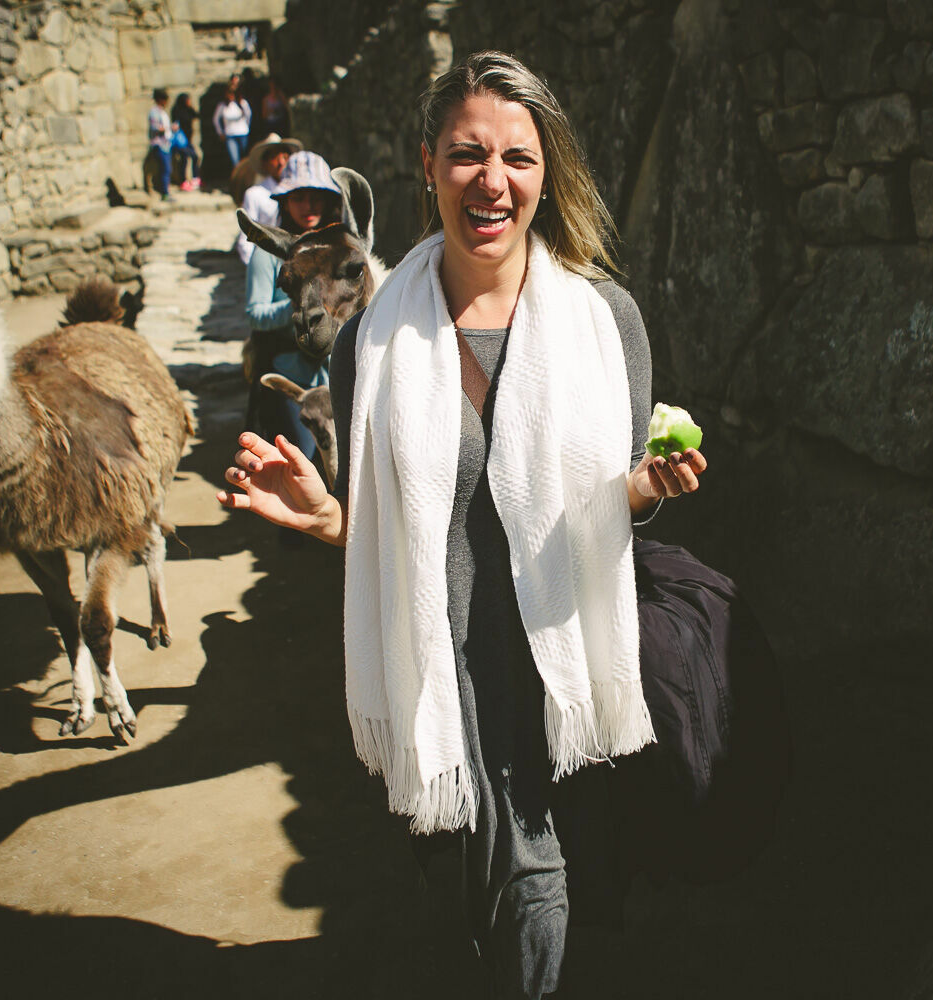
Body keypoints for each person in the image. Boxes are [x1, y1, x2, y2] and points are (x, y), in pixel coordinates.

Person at [218, 51, 707, 998]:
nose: (493, 182)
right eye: (467, 155)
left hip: (556, 690)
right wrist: (327, 519)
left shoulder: (606, 320)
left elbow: (615, 523)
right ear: (428, 166)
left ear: (546, 171)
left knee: (544, 898)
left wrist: (647, 490)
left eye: (518, 158)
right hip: (443, 686)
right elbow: (387, 529)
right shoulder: (374, 337)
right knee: (472, 911)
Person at [241, 151, 341, 492]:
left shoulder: (335, 247)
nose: (308, 206)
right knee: (300, 459)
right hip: (289, 375)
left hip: (333, 372)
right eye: (299, 197)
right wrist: (297, 307)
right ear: (285, 200)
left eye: (317, 197)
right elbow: (254, 312)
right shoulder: (267, 251)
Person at [233, 134, 302, 263]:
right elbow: (246, 238)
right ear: (265, 164)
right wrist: (255, 267)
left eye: (285, 157)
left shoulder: (300, 192)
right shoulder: (255, 194)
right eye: (275, 158)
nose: (281, 162)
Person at [212, 74, 252, 168]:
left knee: (245, 159)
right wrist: (220, 132)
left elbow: (248, 115)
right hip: (230, 135)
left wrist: (247, 126)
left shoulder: (242, 103)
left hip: (242, 133)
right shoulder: (222, 105)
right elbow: (215, 119)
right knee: (235, 160)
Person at [146, 87, 172, 201]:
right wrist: (170, 128)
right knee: (165, 169)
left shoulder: (161, 112)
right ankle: (165, 194)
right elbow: (155, 128)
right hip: (159, 144)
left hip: (165, 144)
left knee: (167, 169)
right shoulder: (154, 112)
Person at [169, 122, 201, 191]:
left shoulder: (181, 132)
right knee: (184, 161)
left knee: (195, 156)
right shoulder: (171, 134)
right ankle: (184, 182)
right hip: (178, 149)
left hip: (185, 147)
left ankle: (195, 179)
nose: (175, 126)